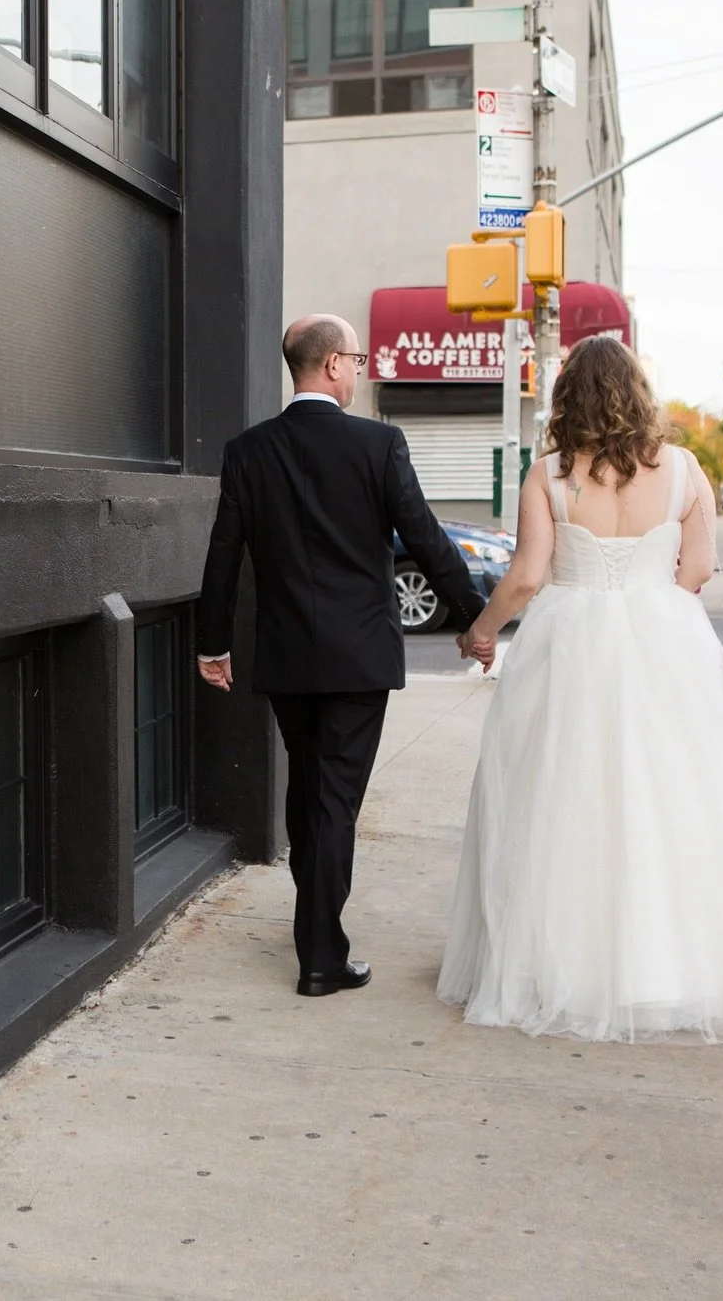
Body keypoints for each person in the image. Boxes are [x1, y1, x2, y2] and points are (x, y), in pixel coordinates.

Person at [439, 336, 723, 1043]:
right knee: (684, 796)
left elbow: (526, 577)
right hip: (663, 638)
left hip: (568, 645)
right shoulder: (686, 469)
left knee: (561, 796)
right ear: (637, 392)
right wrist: (647, 601)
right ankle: (678, 963)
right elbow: (696, 569)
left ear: (566, 397)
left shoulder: (549, 474)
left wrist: (481, 633)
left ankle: (563, 965)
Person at [197, 315, 486, 999]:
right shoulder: (378, 444)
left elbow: (223, 556)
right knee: (334, 802)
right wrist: (476, 616)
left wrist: (213, 642)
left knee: (308, 790)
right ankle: (321, 956)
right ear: (331, 364)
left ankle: (314, 922)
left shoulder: (248, 451)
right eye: (356, 360)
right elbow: (424, 536)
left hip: (287, 656)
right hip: (358, 656)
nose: (359, 370)